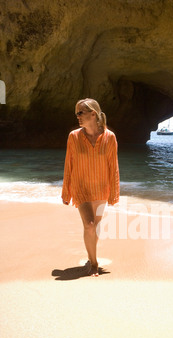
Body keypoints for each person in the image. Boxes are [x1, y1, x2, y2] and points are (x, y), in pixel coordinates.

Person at [62, 98, 120, 276]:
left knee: (95, 227)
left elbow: (114, 167)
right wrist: (66, 191)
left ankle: (90, 256)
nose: (78, 117)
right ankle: (94, 263)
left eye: (81, 112)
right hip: (81, 189)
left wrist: (114, 192)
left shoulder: (109, 138)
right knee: (89, 225)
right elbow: (68, 164)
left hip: (101, 189)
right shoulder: (74, 137)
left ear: (93, 114)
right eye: (77, 113)